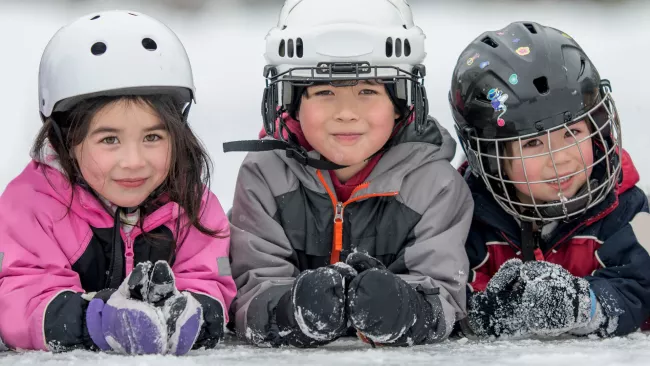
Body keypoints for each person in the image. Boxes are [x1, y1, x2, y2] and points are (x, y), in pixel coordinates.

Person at [226, 0, 473, 348]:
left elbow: (445, 296)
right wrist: (289, 309)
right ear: (293, 101)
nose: (346, 113)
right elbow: (251, 293)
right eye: (325, 91)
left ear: (402, 102)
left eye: (367, 91)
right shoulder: (264, 176)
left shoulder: (435, 186)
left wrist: (406, 307)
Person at [0, 10, 236, 354]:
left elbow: (210, 281)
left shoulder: (192, 207)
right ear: (66, 138)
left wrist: (194, 313)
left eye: (153, 137)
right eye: (109, 140)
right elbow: (22, 294)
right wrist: (95, 320)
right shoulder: (31, 207)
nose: (134, 161)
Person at [449, 21, 650, 339]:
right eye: (532, 143)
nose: (560, 158)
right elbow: (449, 296)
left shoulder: (626, 206)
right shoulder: (468, 217)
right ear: (489, 158)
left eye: (572, 133)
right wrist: (490, 311)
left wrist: (585, 305)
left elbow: (641, 286)